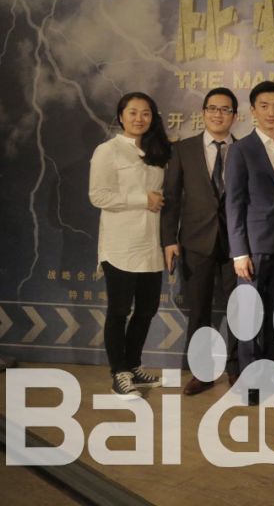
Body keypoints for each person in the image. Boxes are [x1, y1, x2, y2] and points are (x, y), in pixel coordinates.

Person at [89, 91, 171, 399]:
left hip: (151, 245)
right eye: (133, 112)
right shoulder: (107, 151)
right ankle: (119, 373)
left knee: (147, 310)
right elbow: (98, 196)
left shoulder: (157, 150)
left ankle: (134, 365)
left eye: (146, 113)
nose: (139, 118)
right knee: (119, 310)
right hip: (120, 246)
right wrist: (141, 199)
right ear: (121, 116)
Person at [161, 87, 240, 396]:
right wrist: (169, 239)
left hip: (236, 245)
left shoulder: (244, 149)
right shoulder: (184, 149)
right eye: (213, 108)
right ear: (204, 112)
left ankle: (237, 368)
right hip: (196, 241)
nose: (218, 114)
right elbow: (171, 197)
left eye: (225, 109)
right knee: (199, 310)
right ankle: (202, 372)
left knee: (238, 309)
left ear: (235, 116)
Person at [225, 80, 274, 403]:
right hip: (252, 248)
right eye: (264, 106)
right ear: (253, 111)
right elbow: (234, 203)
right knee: (249, 318)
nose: (271, 112)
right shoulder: (241, 149)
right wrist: (239, 252)